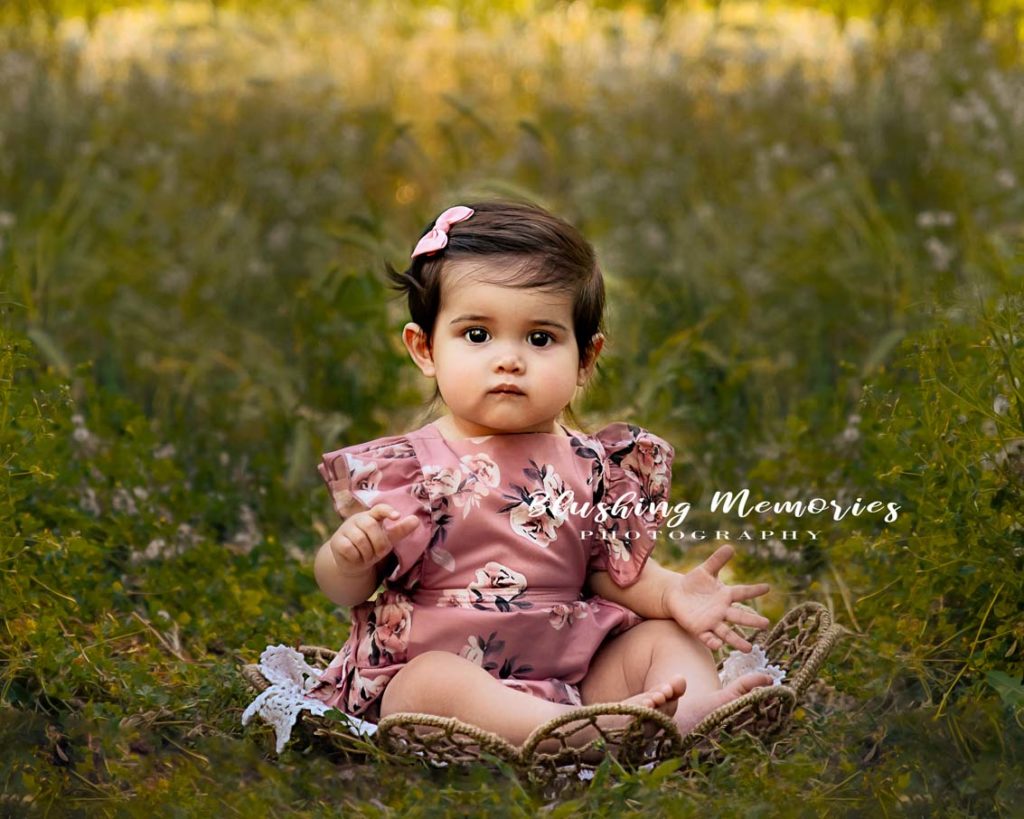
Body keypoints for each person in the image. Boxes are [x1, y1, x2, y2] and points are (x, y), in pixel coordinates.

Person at [306, 200, 775, 749]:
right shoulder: (414, 469)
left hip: (574, 675)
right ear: (425, 348)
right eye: (477, 335)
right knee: (428, 685)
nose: (509, 360)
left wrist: (674, 595)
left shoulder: (596, 464)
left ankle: (688, 714)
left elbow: (607, 575)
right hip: (452, 674)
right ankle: (565, 734)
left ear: (585, 360)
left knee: (667, 638)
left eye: (540, 338)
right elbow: (348, 588)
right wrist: (346, 558)